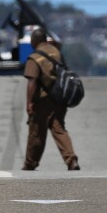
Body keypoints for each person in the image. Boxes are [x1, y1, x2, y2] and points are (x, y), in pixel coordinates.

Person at [23, 28, 80, 171]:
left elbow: (32, 81)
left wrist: (29, 102)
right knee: (59, 129)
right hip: (60, 97)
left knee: (36, 132)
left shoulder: (35, 57)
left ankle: (30, 163)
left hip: (43, 100)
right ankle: (71, 160)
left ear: (34, 41)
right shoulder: (56, 52)